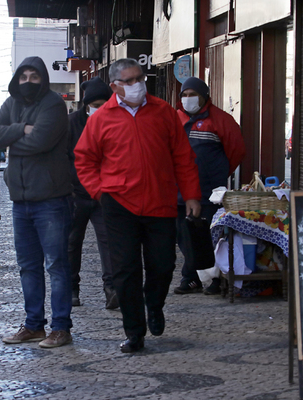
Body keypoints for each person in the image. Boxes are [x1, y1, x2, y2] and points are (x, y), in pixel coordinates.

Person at [74, 58, 202, 353]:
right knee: (125, 270)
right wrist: (100, 192)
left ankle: (154, 305)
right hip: (119, 205)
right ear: (115, 86)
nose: (137, 85)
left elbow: (183, 157)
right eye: (129, 81)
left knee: (163, 264)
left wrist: (192, 195)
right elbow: (84, 160)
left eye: (140, 78)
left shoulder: (164, 112)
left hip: (161, 202)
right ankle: (134, 331)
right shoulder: (101, 119)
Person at [0, 56, 73, 348]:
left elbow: (42, 141)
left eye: (33, 76)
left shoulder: (53, 104)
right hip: (20, 200)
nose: (27, 82)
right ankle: (34, 325)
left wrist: (11, 138)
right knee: (28, 266)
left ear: (43, 78)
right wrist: (22, 129)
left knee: (57, 265)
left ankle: (61, 327)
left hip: (51, 200)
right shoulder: (11, 104)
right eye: (23, 76)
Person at [173, 77, 245, 296]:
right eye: (184, 95)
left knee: (210, 236)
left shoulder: (222, 120)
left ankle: (214, 278)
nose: (188, 99)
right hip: (179, 191)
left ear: (205, 96)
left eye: (192, 94)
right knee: (184, 236)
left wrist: (218, 172)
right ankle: (192, 276)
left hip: (209, 191)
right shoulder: (175, 119)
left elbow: (236, 151)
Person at [67, 77, 117, 309]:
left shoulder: (115, 121)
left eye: (103, 103)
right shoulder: (71, 124)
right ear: (85, 105)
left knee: (109, 242)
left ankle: (111, 289)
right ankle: (71, 288)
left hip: (104, 194)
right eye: (94, 104)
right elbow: (64, 159)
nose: (98, 108)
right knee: (71, 242)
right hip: (76, 195)